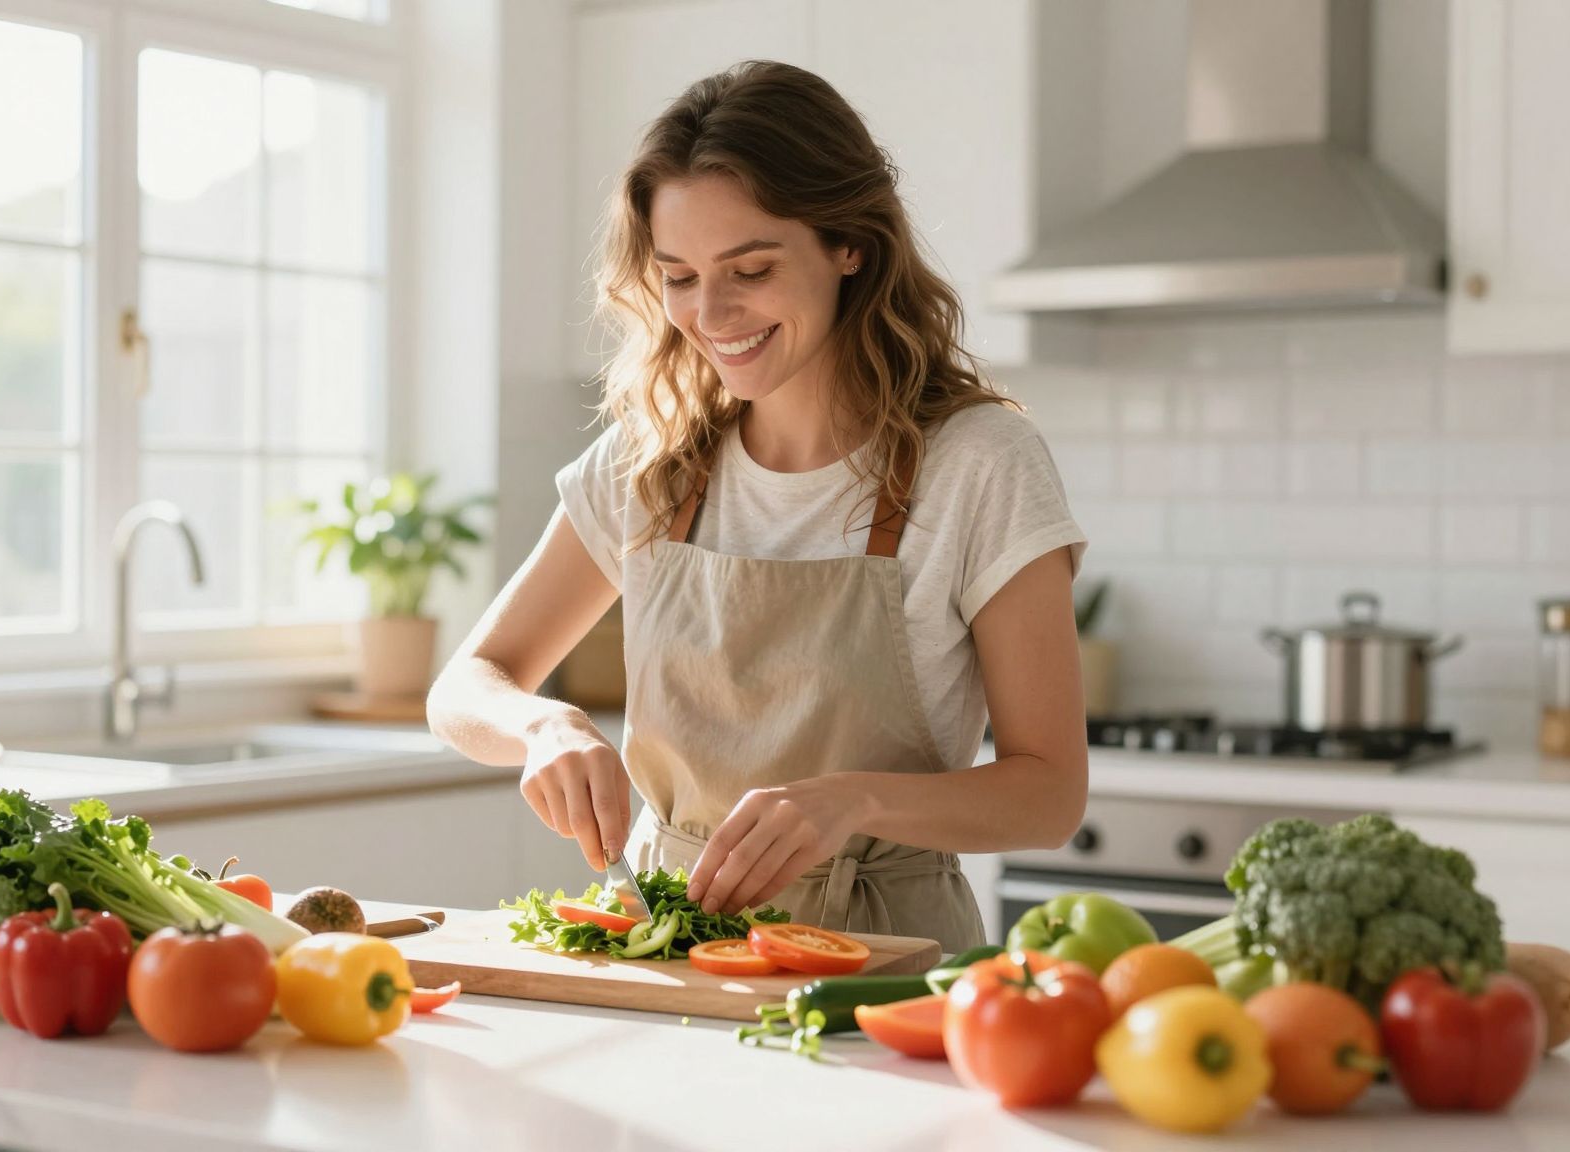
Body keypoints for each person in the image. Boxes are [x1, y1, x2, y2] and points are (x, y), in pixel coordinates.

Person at [427, 60, 1088, 954]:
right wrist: (543, 725)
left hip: (881, 966)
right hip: (665, 946)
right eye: (681, 275)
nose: (712, 312)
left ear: (849, 244)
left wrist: (856, 799)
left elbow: (1050, 794)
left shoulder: (977, 463)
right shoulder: (652, 456)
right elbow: (465, 687)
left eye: (751, 268)